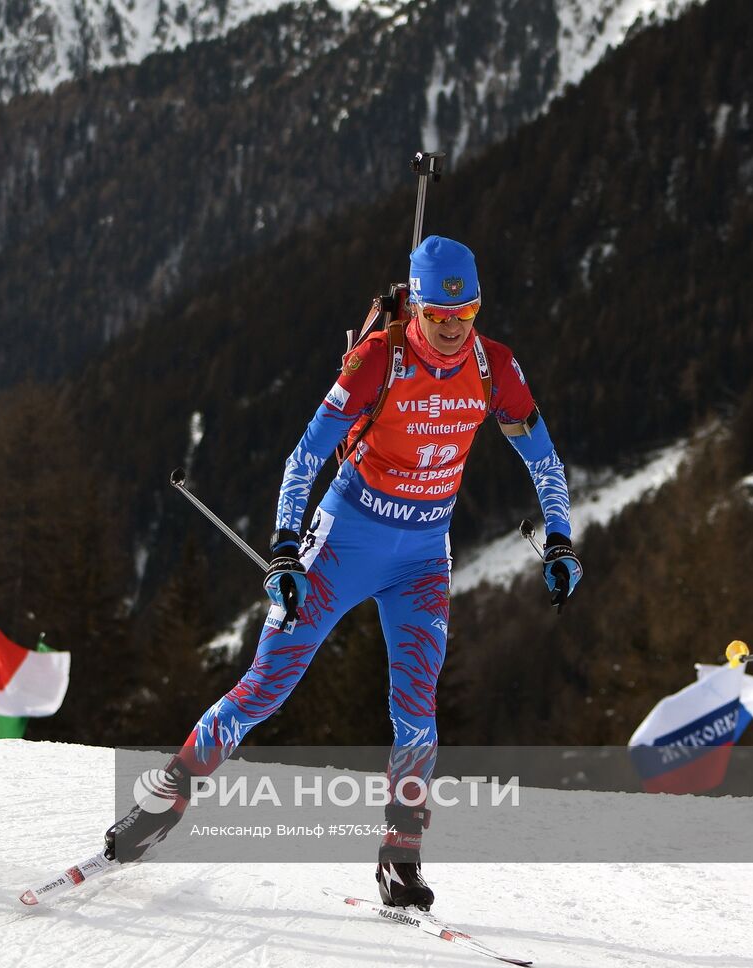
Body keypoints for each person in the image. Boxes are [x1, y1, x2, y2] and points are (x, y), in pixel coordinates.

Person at [103, 237, 582, 910]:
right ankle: (163, 802)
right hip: (343, 541)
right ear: (415, 305)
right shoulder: (377, 359)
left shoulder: (492, 366)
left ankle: (400, 858)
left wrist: (559, 540)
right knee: (265, 686)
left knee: (415, 709)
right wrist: (283, 551)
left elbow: (544, 460)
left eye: (465, 314)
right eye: (439, 315)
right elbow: (305, 458)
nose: (451, 329)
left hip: (422, 557)